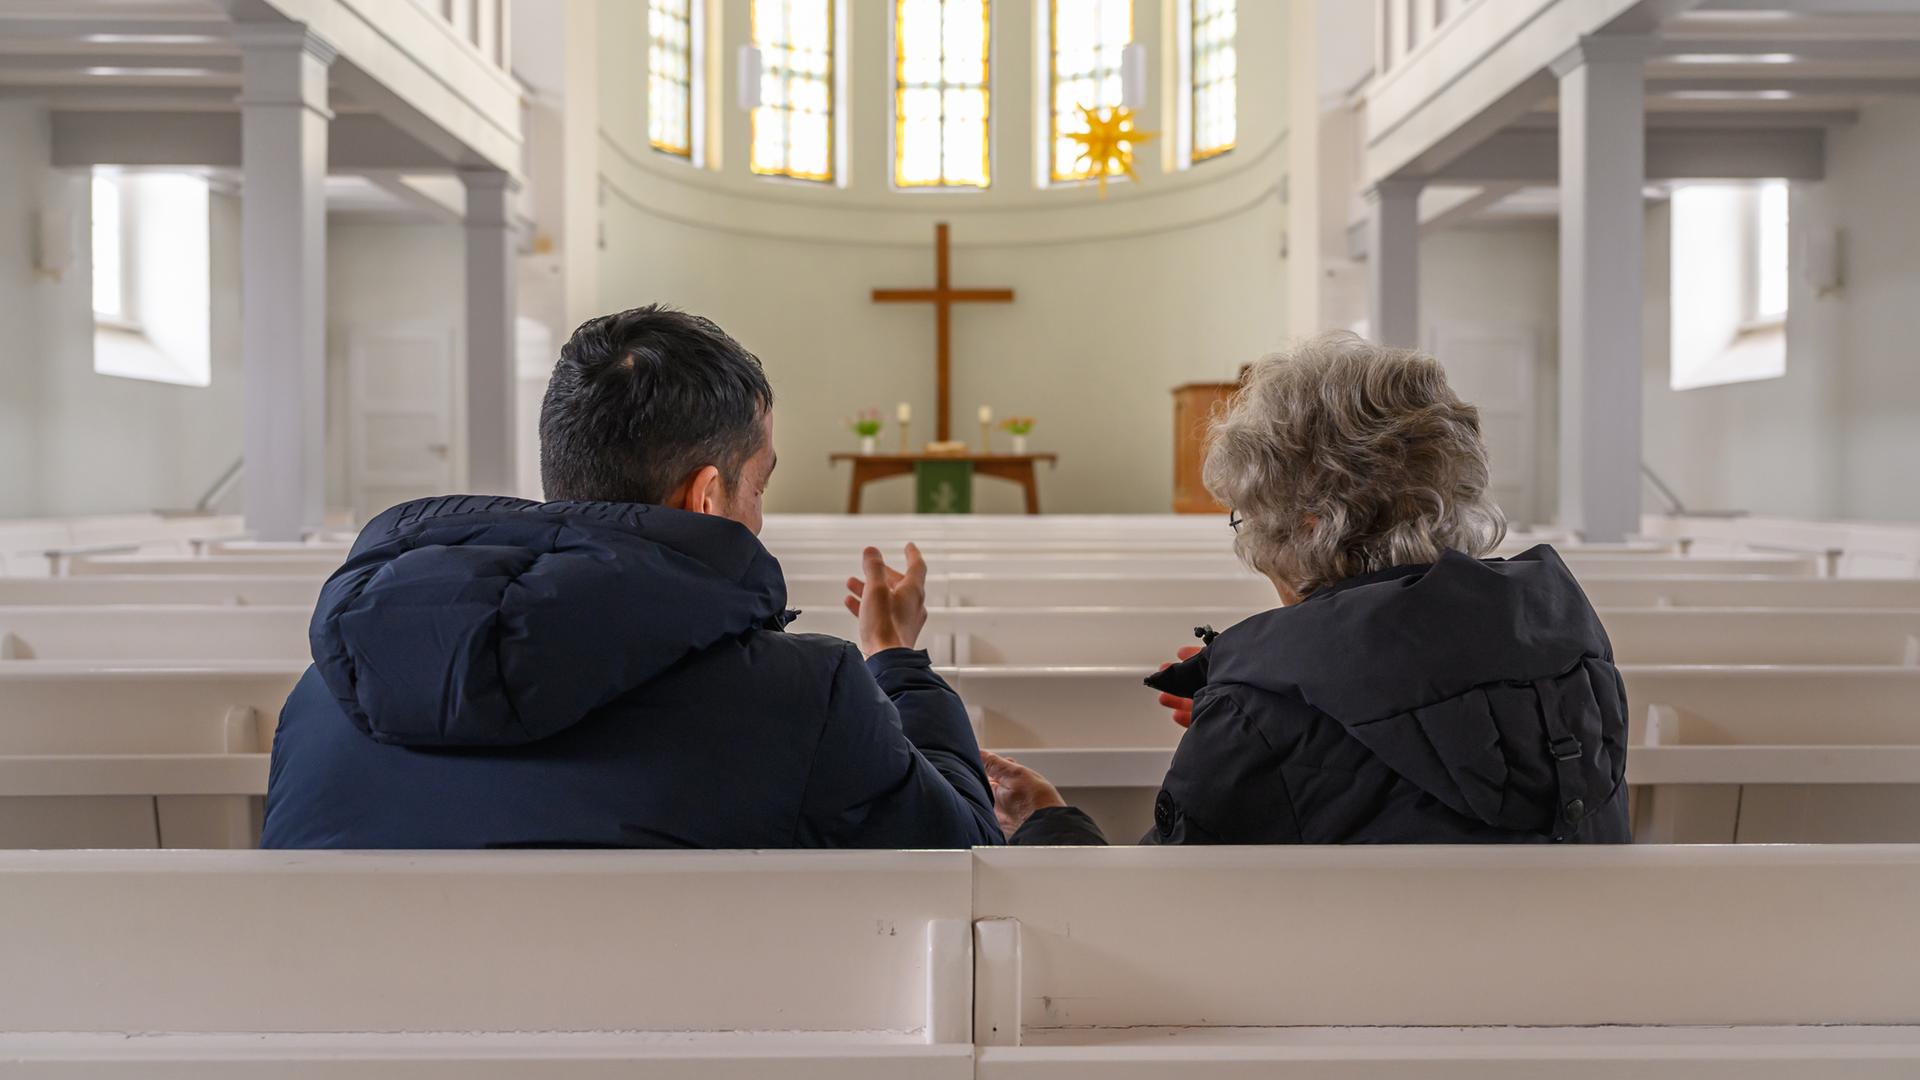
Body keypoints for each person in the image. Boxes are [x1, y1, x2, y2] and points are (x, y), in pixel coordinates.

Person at [262, 305, 1001, 849]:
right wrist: (896, 663)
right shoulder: (808, 697)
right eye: (758, 487)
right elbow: (966, 860)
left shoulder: (327, 691)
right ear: (707, 496)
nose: (759, 514)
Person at [985, 333, 1631, 845]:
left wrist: (1047, 818)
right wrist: (1272, 703)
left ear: (1313, 528)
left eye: (1248, 515)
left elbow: (1141, 932)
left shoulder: (1257, 721)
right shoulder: (1572, 655)